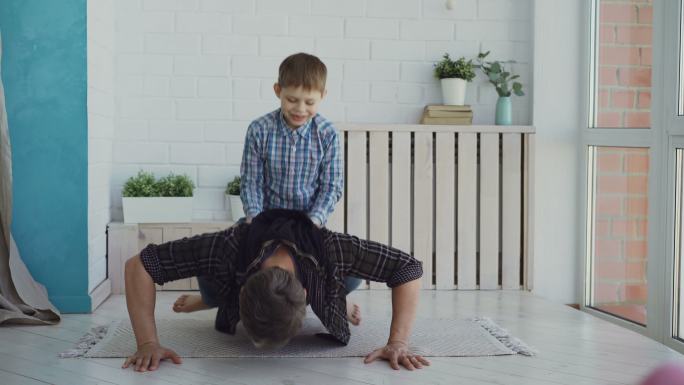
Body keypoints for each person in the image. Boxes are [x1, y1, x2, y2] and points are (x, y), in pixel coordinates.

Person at [121, 209, 430, 372]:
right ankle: (210, 300)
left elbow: (408, 269)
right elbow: (139, 265)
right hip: (243, 253)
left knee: (348, 278)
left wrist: (398, 342)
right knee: (212, 283)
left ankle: (339, 300)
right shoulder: (226, 247)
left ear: (306, 296)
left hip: (327, 268)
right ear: (241, 293)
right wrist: (147, 342)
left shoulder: (333, 248)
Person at [188, 52, 352, 318]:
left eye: (309, 102)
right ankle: (212, 299)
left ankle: (336, 301)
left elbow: (331, 186)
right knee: (213, 262)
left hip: (307, 222)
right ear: (278, 91)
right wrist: (255, 219)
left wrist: (314, 222)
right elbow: (251, 181)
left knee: (346, 270)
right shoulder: (259, 129)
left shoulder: (328, 134)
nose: (300, 109)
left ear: (323, 95)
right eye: (292, 100)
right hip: (263, 219)